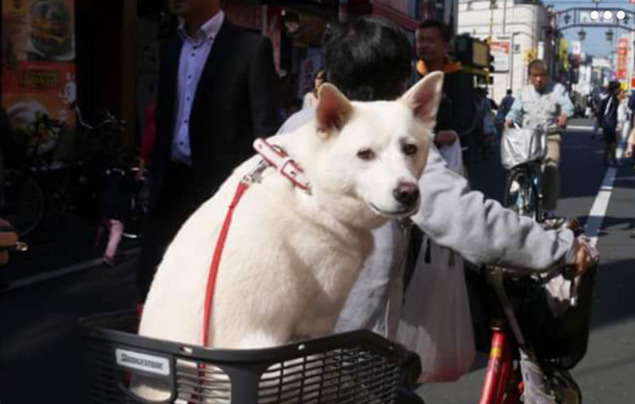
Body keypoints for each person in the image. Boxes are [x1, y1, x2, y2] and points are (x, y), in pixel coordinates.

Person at [277, 15, 595, 402]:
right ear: (400, 83)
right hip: (343, 358)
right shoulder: (390, 140)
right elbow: (470, 222)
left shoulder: (292, 129)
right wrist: (560, 246)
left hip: (268, 350)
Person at [136, 0, 279, 300]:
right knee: (153, 279)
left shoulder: (251, 48)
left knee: (217, 287)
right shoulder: (170, 48)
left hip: (223, 191)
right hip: (171, 184)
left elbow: (265, 131)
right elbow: (163, 118)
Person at [505, 59, 574, 223]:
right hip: (527, 137)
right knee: (515, 166)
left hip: (550, 136)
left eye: (541, 76)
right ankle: (519, 194)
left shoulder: (557, 90)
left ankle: (549, 210)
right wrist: (508, 120)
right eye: (534, 76)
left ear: (547, 76)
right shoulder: (523, 92)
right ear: (529, 77)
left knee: (551, 168)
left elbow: (568, 105)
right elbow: (515, 111)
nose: (538, 79)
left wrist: (564, 115)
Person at [415, 19, 477, 165]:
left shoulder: (460, 77)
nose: (424, 45)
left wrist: (452, 133)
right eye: (420, 40)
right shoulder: (411, 74)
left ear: (445, 46)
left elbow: (467, 117)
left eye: (430, 41)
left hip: (448, 153)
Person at [597, 81, 622, 167]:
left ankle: (608, 160)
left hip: (609, 123)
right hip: (609, 124)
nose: (620, 89)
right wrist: (603, 123)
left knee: (611, 143)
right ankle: (611, 160)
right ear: (615, 89)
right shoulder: (610, 99)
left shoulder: (612, 98)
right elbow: (605, 112)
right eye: (618, 88)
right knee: (611, 143)